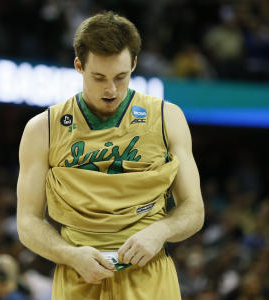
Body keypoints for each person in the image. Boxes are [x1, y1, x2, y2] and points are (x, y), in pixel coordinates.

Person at [17, 11, 204, 300]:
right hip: (77, 273)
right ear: (79, 66)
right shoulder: (43, 129)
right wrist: (69, 254)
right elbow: (27, 221)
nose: (111, 89)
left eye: (121, 77)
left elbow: (194, 209)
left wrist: (161, 231)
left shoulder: (168, 118)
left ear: (134, 64)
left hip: (149, 274)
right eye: (99, 77)